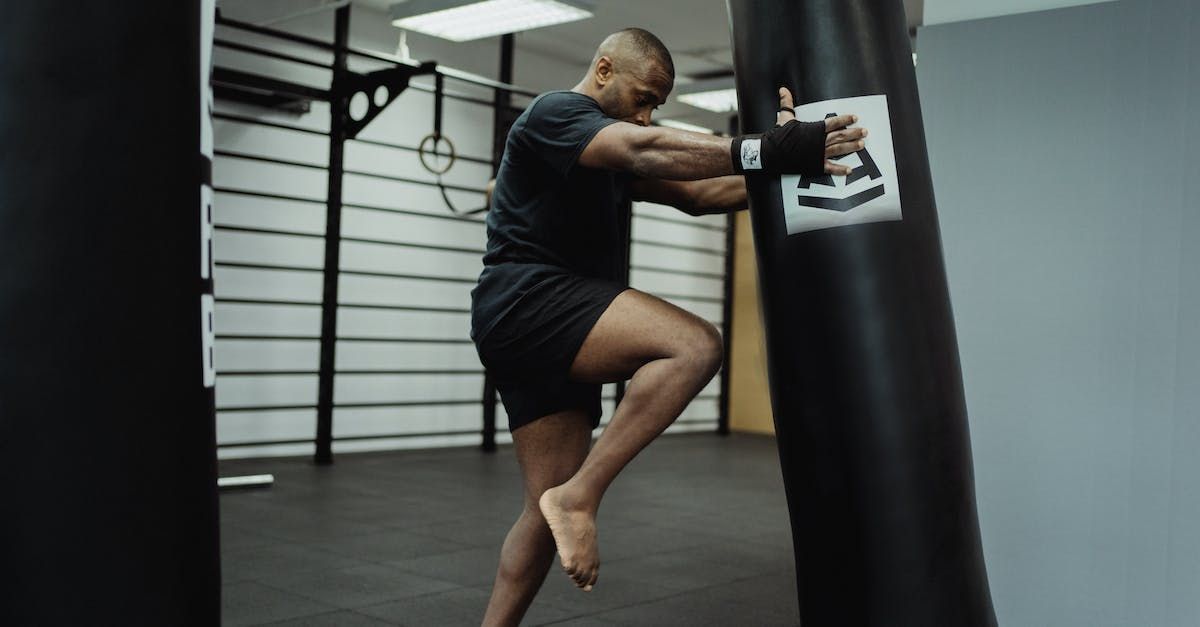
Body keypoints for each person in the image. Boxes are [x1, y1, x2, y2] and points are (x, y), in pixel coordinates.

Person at [469, 27, 867, 626]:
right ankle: (582, 496)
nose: (649, 113)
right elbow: (641, 149)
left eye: (657, 103)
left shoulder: (605, 145)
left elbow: (702, 195)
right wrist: (768, 148)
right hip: (530, 299)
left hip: (535, 326)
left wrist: (806, 165)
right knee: (694, 345)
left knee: (539, 513)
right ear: (604, 71)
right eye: (644, 97)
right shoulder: (557, 114)